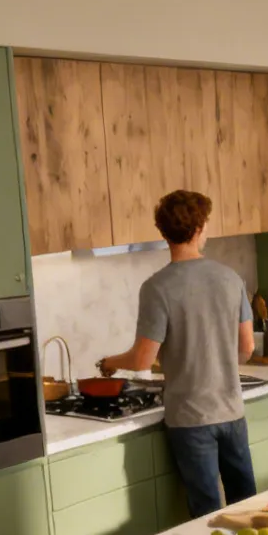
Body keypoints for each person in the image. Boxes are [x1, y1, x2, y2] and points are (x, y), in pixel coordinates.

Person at [98, 190, 255, 517]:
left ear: (163, 231)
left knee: (206, 513)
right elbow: (247, 348)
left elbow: (142, 360)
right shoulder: (230, 278)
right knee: (248, 508)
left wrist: (110, 362)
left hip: (190, 419)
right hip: (231, 412)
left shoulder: (158, 287)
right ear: (199, 228)